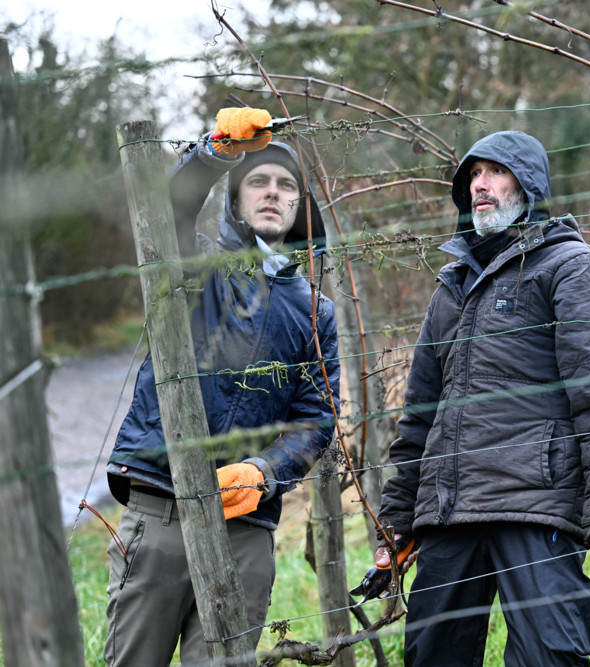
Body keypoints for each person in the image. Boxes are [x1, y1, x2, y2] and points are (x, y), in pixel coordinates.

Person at [374, 130, 590, 666]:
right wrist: (396, 522)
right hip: (449, 512)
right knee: (432, 658)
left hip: (536, 505)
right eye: (473, 175)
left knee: (549, 656)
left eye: (496, 172)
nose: (481, 184)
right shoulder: (451, 287)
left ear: (529, 185)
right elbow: (419, 418)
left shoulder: (571, 266)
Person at [104, 108, 340, 666]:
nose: (273, 192)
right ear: (235, 199)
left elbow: (315, 421)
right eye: (258, 180)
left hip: (247, 530)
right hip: (161, 506)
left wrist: (265, 472)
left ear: (300, 206)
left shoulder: (316, 310)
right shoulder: (198, 265)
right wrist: (214, 156)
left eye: (286, 185)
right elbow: (164, 213)